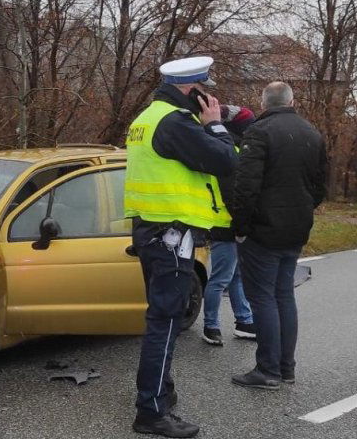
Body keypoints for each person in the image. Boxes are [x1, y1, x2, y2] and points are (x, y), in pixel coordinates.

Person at [124, 56, 237, 438]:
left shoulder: (147, 118)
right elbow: (226, 160)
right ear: (194, 90)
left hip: (151, 232)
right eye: (207, 92)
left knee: (161, 318)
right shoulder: (175, 122)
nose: (211, 99)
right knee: (166, 321)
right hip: (172, 235)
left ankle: (161, 393)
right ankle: (152, 411)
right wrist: (216, 124)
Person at [230, 82, 328, 389]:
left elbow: (246, 186)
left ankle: (267, 370)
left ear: (263, 103)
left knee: (262, 298)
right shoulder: (312, 133)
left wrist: (241, 227)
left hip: (263, 230)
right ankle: (286, 368)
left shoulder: (258, 133)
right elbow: (321, 185)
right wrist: (303, 210)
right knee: (284, 295)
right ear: (291, 101)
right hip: (296, 228)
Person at [202, 105, 257, 346]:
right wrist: (242, 225)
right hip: (226, 224)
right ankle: (210, 326)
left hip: (225, 221)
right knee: (220, 279)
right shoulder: (230, 150)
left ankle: (244, 321)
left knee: (236, 276)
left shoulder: (224, 146)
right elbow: (232, 194)